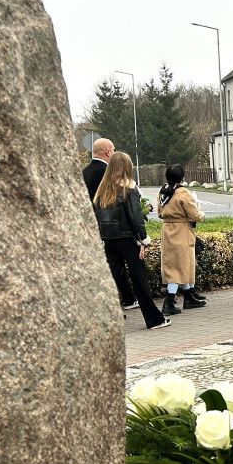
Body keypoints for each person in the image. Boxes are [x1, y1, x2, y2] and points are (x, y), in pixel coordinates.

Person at [92, 151, 169, 329]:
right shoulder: (129, 187)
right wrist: (143, 240)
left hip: (108, 240)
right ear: (127, 168)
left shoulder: (102, 189)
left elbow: (97, 217)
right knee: (139, 280)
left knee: (112, 280)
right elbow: (136, 218)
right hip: (128, 240)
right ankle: (154, 319)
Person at [83, 137, 136, 309]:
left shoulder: (85, 172)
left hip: (91, 225)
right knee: (124, 267)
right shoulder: (106, 173)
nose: (113, 153)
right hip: (112, 227)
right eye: (113, 150)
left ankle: (126, 298)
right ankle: (128, 299)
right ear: (108, 152)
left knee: (112, 265)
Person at [158, 164, 207, 315]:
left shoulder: (163, 191)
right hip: (182, 229)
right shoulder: (182, 192)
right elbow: (193, 214)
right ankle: (169, 301)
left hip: (167, 229)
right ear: (182, 177)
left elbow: (160, 213)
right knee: (181, 264)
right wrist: (201, 215)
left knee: (174, 263)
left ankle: (188, 296)